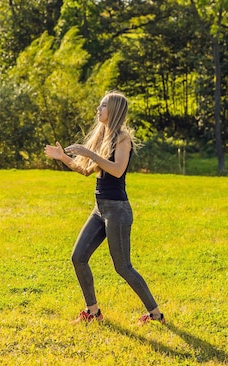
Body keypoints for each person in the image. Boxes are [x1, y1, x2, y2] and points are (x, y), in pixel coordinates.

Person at [44, 91, 164, 324]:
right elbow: (86, 170)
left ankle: (156, 315)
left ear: (115, 110)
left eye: (103, 106)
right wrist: (63, 158)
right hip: (100, 209)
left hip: (117, 210)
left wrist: (90, 153)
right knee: (78, 257)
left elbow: (117, 170)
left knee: (123, 267)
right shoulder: (104, 136)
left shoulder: (122, 139)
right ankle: (93, 312)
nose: (98, 109)